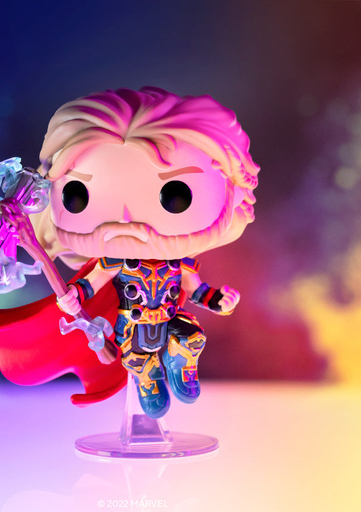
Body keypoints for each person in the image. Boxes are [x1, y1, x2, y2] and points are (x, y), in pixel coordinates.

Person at [29, 87, 260, 418]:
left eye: (177, 193)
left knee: (193, 338)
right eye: (77, 192)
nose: (126, 220)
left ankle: (181, 364)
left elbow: (196, 290)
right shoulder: (114, 261)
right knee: (140, 361)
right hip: (133, 323)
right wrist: (73, 295)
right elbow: (92, 283)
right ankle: (148, 380)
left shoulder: (181, 264)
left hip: (170, 317)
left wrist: (218, 301)